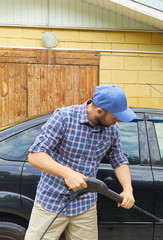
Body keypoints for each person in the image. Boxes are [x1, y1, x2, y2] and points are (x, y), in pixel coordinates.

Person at [24, 84, 136, 240]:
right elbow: (35, 155)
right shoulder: (64, 117)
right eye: (115, 117)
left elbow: (119, 159)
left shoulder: (112, 129)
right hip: (50, 202)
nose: (118, 121)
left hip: (85, 205)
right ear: (99, 111)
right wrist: (67, 173)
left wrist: (128, 189)